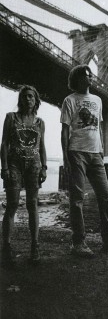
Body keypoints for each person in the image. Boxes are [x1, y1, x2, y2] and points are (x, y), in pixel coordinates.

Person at [60, 64, 108, 257]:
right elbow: (65, 131)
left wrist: (102, 151)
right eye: (86, 75)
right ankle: (78, 243)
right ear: (78, 79)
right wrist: (66, 157)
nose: (91, 77)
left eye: (90, 74)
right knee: (77, 200)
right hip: (76, 153)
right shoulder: (69, 100)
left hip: (96, 154)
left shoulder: (98, 100)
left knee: (106, 198)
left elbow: (98, 128)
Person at [1, 85, 47, 266]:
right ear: (20, 99)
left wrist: (44, 167)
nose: (28, 99)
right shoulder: (11, 118)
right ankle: (6, 247)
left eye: (31, 97)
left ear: (36, 101)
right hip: (14, 165)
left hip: (34, 166)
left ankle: (35, 247)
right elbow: (4, 143)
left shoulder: (40, 122)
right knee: (12, 204)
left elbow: (41, 146)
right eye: (25, 96)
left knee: (32, 204)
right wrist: (4, 168)